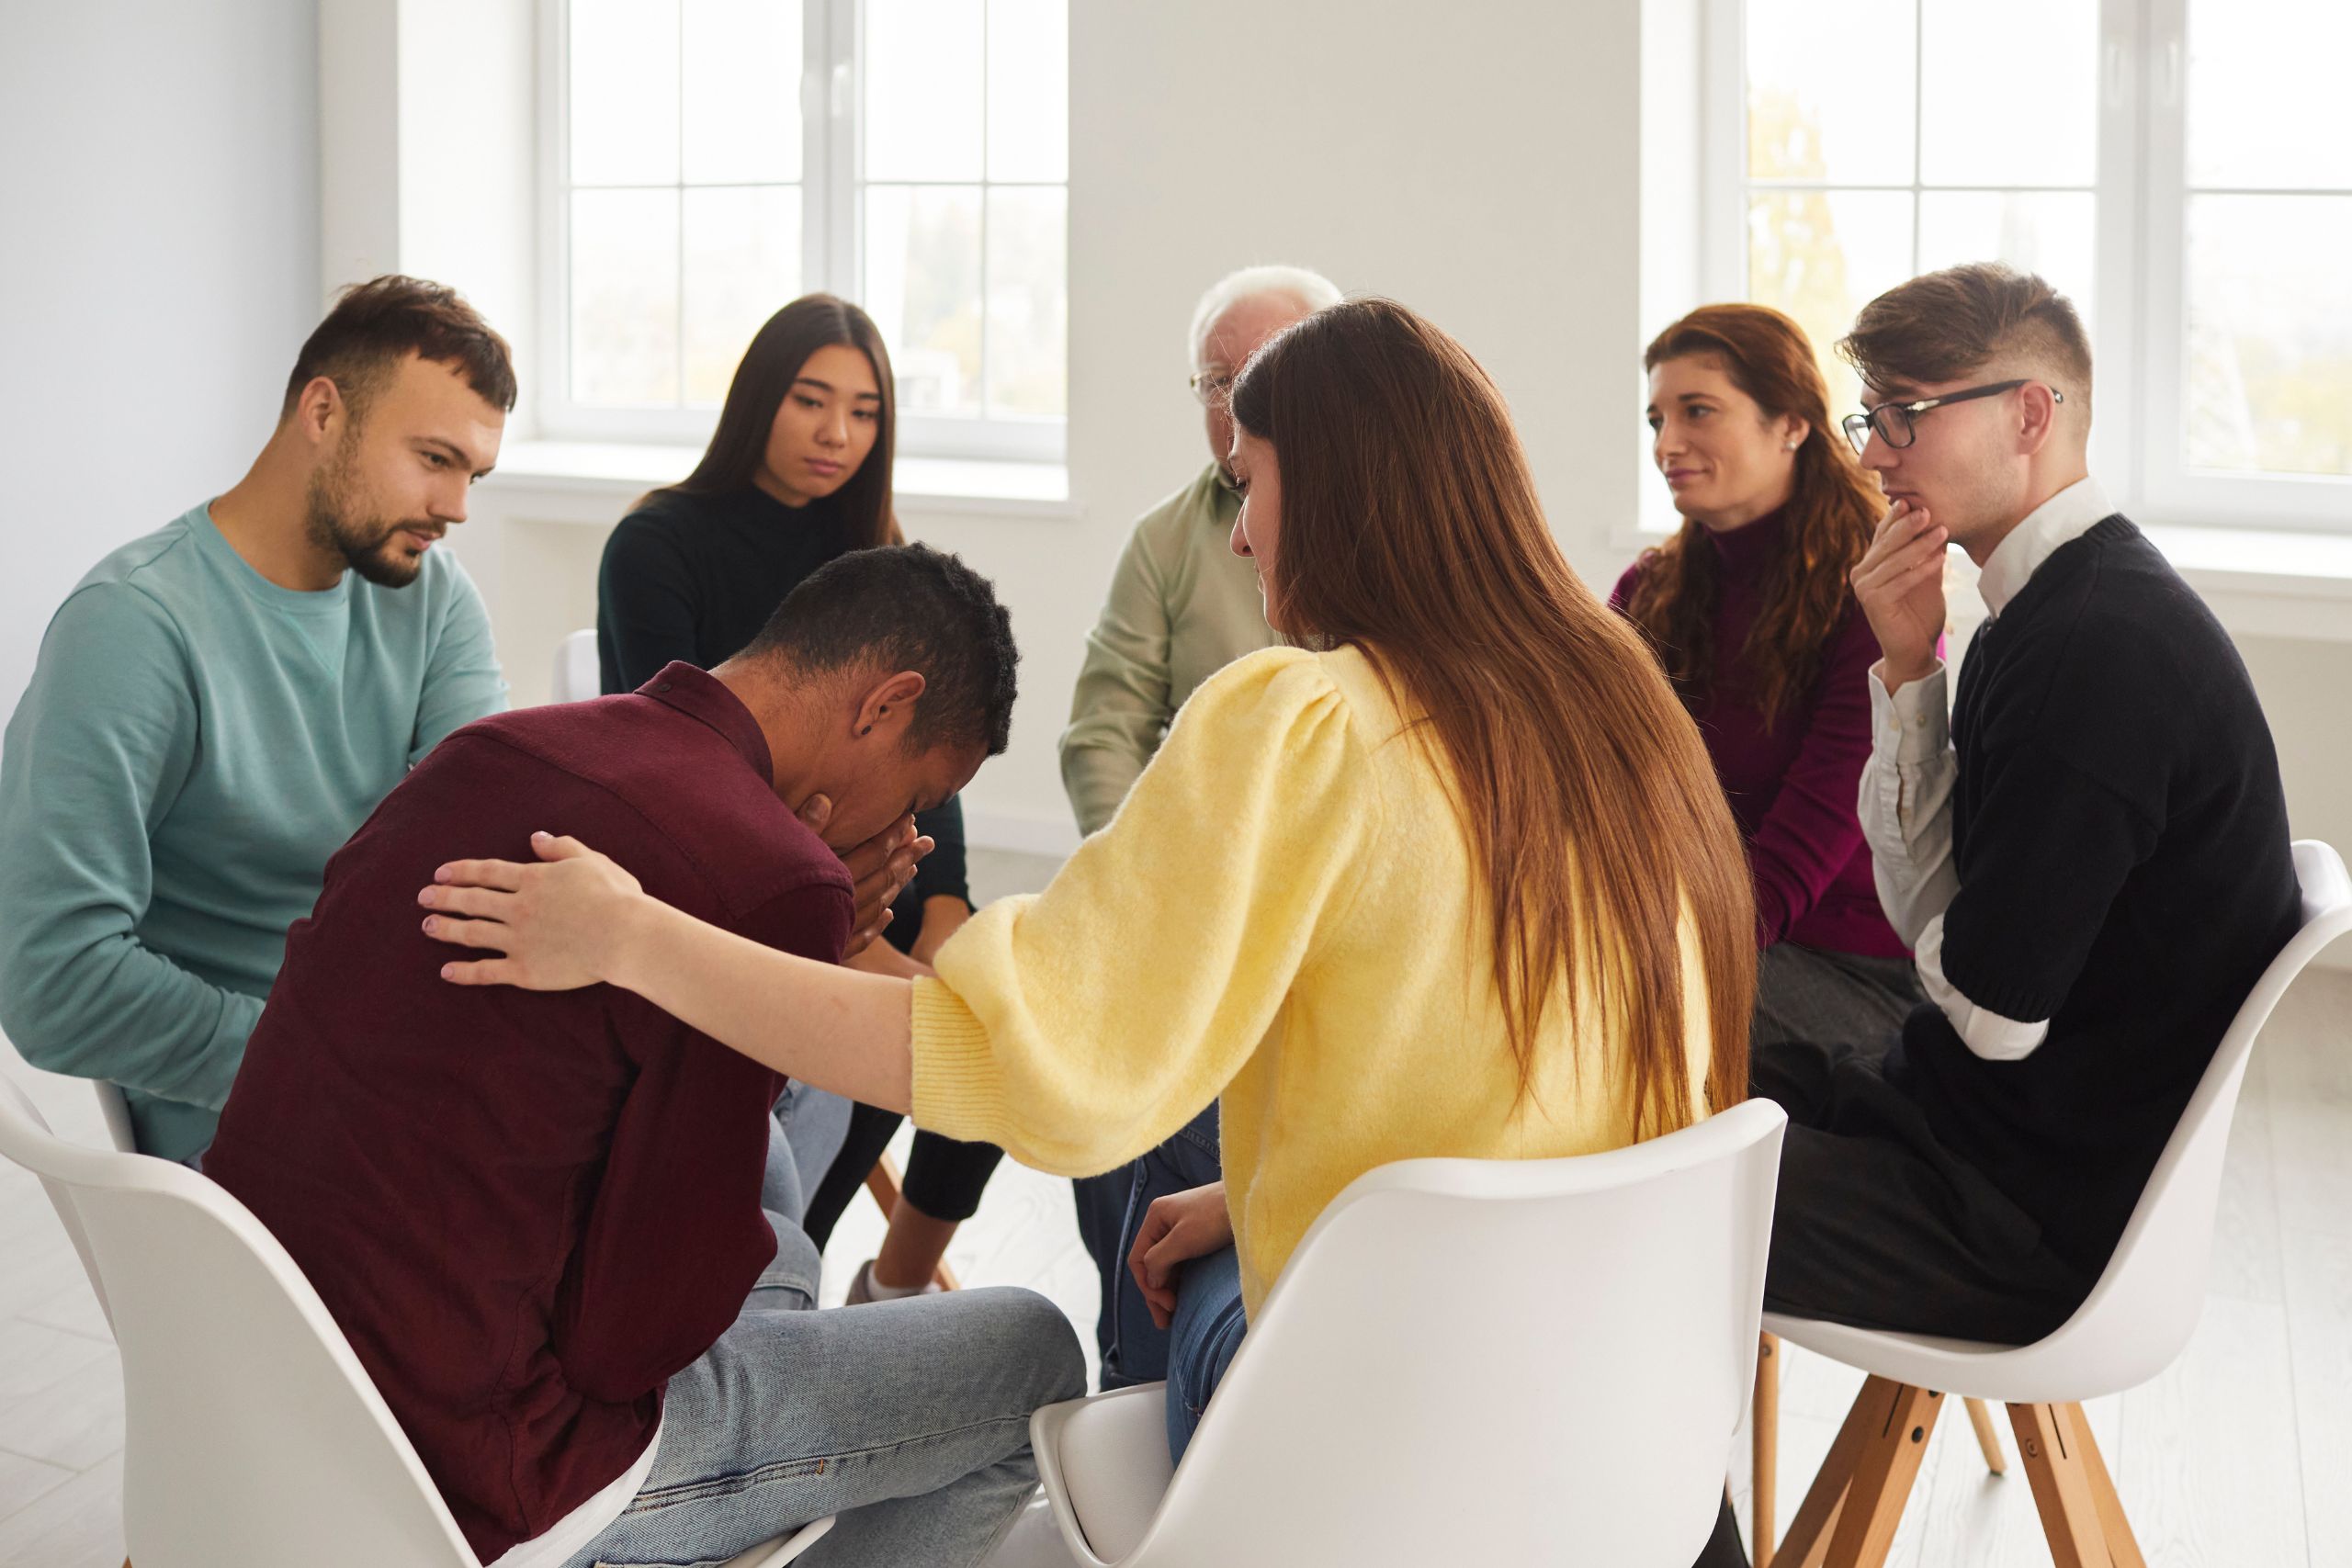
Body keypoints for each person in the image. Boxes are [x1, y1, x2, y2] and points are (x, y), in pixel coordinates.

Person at [414, 299, 1759, 1481]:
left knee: (1096, 1304)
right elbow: (1532, 1071)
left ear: (1339, 494)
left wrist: (637, 936)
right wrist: (1255, 1194)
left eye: (1253, 485)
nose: (1241, 540)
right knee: (1194, 1211)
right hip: (1620, 1425)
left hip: (1378, 1438)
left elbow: (1020, 1062)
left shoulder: (1304, 720)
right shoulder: (1619, 710)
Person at [205, 544, 1084, 1568]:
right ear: (884, 706)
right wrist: (807, 892)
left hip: (263, 1379)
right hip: (492, 1467)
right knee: (1034, 1358)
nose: (910, 828)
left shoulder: (491, 749)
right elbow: (625, 1343)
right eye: (922, 793)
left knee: (775, 1212)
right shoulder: (771, 877)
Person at [1758, 264, 2301, 1348]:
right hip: (1961, 1125)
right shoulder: (2047, 611)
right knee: (1630, 1058)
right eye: (1873, 417)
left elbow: (1992, 1017)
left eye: (1904, 416)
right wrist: (1911, 667)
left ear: (2030, 414)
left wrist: (1951, 955)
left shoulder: (2093, 653)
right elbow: (1945, 934)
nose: (1870, 454)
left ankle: (1682, 1525)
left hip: (2012, 1215)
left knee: (1606, 1189)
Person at [0, 275, 513, 1163]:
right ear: (323, 412)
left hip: (415, 1073)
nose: (457, 506)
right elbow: (52, 980)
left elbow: (474, 864)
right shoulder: (133, 625)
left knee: (729, 1164)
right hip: (268, 1130)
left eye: (473, 473)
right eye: (434, 459)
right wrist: (329, 1058)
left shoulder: (432, 599)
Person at [595, 293, 993, 1304]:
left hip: (876, 866)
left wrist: (942, 909)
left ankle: (891, 1286)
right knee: (891, 1029)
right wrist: (855, 926)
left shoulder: (878, 556)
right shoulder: (657, 545)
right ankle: (782, 1262)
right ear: (757, 400)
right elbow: (664, 760)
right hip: (739, 874)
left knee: (987, 1020)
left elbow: (927, 767)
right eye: (811, 401)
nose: (836, 434)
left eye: (863, 412)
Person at [1057, 261, 1340, 1376]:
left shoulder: (1374, 573)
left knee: (1158, 1092)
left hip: (1303, 924)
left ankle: (1153, 1365)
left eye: (1261, 375)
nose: (1233, 403)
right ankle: (1133, 1352)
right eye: (1216, 381)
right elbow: (1100, 732)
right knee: (1103, 1072)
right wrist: (1150, 885)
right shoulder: (1168, 539)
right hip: (1186, 892)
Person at [1614, 304, 1924, 1051]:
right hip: (1694, 927)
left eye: (1698, 411)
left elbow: (1807, 841)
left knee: (1605, 1005)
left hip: (1846, 966)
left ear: (1791, 423)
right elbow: (1593, 779)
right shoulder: (1648, 588)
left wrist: (1656, 956)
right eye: (1656, 419)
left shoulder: (1875, 593)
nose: (1667, 443)